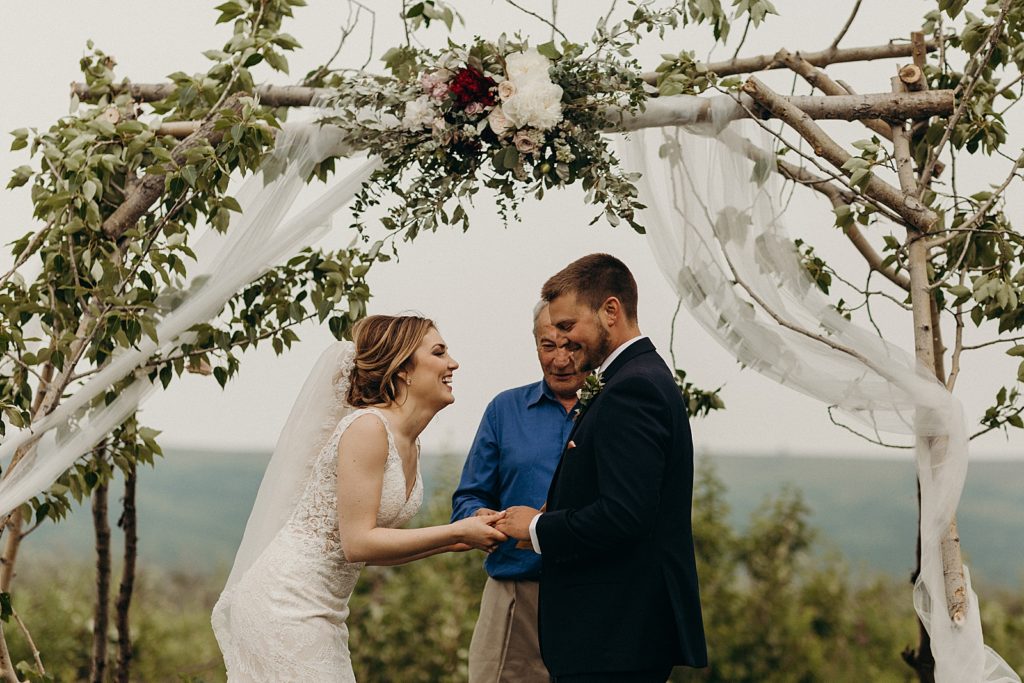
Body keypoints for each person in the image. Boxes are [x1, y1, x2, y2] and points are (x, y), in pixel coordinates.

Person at [212, 314, 508, 682]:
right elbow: (358, 543)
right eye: (439, 352)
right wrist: (455, 533)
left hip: (327, 608)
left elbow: (374, 549)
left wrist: (460, 539)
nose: (453, 363)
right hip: (284, 601)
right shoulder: (368, 428)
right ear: (403, 370)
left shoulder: (411, 443)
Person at [496, 254, 708, 682]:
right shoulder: (635, 377)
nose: (562, 341)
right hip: (616, 635)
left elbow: (624, 515)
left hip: (614, 635)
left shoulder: (633, 389)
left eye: (568, 326)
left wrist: (535, 528)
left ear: (610, 311)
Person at [451, 302, 588, 682]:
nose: (559, 360)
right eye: (548, 346)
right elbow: (467, 498)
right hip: (516, 594)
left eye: (572, 346)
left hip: (596, 597)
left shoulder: (615, 409)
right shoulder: (504, 409)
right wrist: (478, 517)